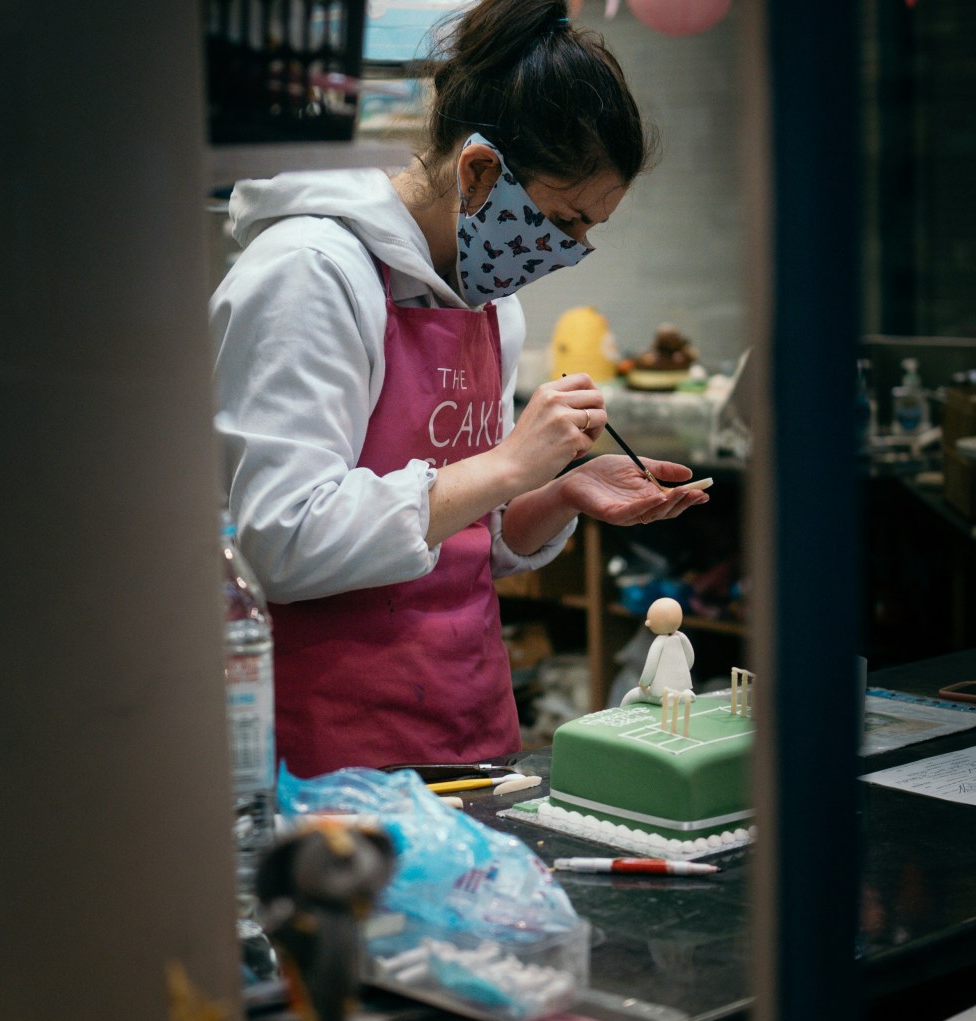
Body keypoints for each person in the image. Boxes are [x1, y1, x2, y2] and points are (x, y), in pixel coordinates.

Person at [211, 0, 710, 779]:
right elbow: (281, 541)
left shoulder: (488, 303)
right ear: (479, 171)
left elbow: (467, 534)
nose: (572, 250)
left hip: (469, 721)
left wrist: (559, 494)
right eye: (563, 220)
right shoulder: (310, 273)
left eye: (589, 230)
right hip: (336, 753)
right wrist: (509, 465)